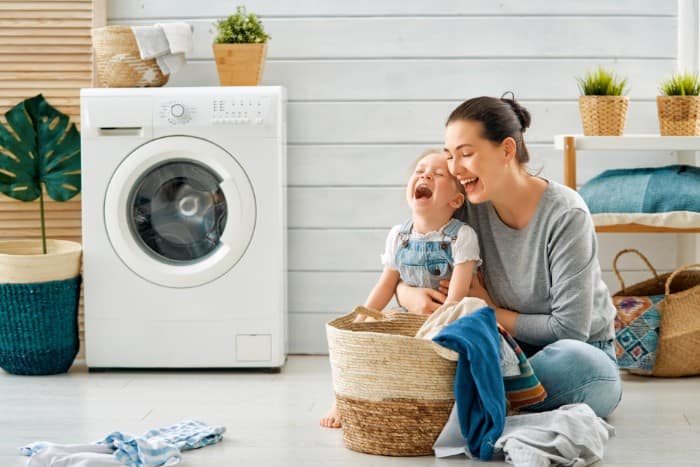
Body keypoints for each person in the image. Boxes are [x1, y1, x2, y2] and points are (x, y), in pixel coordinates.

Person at [396, 95, 622, 418]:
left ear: (506, 150)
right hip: (497, 350)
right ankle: (494, 399)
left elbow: (569, 331)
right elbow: (406, 252)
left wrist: (490, 311)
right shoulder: (466, 204)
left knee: (577, 362)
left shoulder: (566, 215)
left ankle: (471, 399)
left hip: (571, 355)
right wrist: (409, 295)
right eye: (449, 156)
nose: (454, 168)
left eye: (466, 154)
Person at [320, 149, 482, 428]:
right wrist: (364, 315)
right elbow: (387, 283)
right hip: (406, 315)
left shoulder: (461, 236)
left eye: (438, 174)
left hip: (442, 318)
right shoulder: (399, 235)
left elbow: (456, 298)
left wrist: (437, 324)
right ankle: (344, 398)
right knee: (368, 341)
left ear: (456, 199)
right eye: (420, 171)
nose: (425, 175)